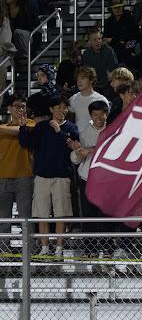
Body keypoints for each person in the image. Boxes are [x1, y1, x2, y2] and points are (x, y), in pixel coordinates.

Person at [19, 95, 79, 257]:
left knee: (61, 214)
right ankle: (44, 247)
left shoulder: (72, 128)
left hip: (62, 177)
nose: (61, 110)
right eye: (57, 107)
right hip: (42, 176)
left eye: (64, 107)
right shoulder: (41, 126)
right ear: (51, 109)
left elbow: (70, 149)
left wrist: (59, 131)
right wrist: (23, 127)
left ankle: (59, 249)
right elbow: (26, 143)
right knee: (41, 213)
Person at [68, 100, 109, 250]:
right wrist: (78, 151)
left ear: (107, 115)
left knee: (106, 215)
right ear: (91, 115)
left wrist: (89, 149)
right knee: (88, 215)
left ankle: (107, 249)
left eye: (102, 114)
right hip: (87, 179)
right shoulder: (83, 133)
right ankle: (89, 249)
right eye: (95, 114)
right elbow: (76, 159)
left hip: (107, 181)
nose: (98, 117)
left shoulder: (112, 131)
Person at [0, 95, 34, 251]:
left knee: (25, 218)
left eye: (23, 106)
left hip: (24, 176)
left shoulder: (31, 125)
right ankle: (4, 253)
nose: (21, 109)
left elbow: (19, 131)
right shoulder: (4, 127)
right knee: (3, 219)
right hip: (3, 176)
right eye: (17, 106)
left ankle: (29, 253)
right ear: (9, 108)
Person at [68, 66, 110, 132]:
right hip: (77, 138)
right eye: (78, 78)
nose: (79, 81)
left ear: (91, 80)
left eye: (83, 78)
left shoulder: (100, 100)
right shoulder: (73, 99)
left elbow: (106, 122)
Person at [102, 0, 139, 64]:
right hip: (114, 47)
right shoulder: (109, 21)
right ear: (111, 9)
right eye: (115, 7)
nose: (118, 9)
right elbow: (106, 38)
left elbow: (133, 36)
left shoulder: (129, 18)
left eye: (120, 7)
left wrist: (113, 39)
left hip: (129, 45)